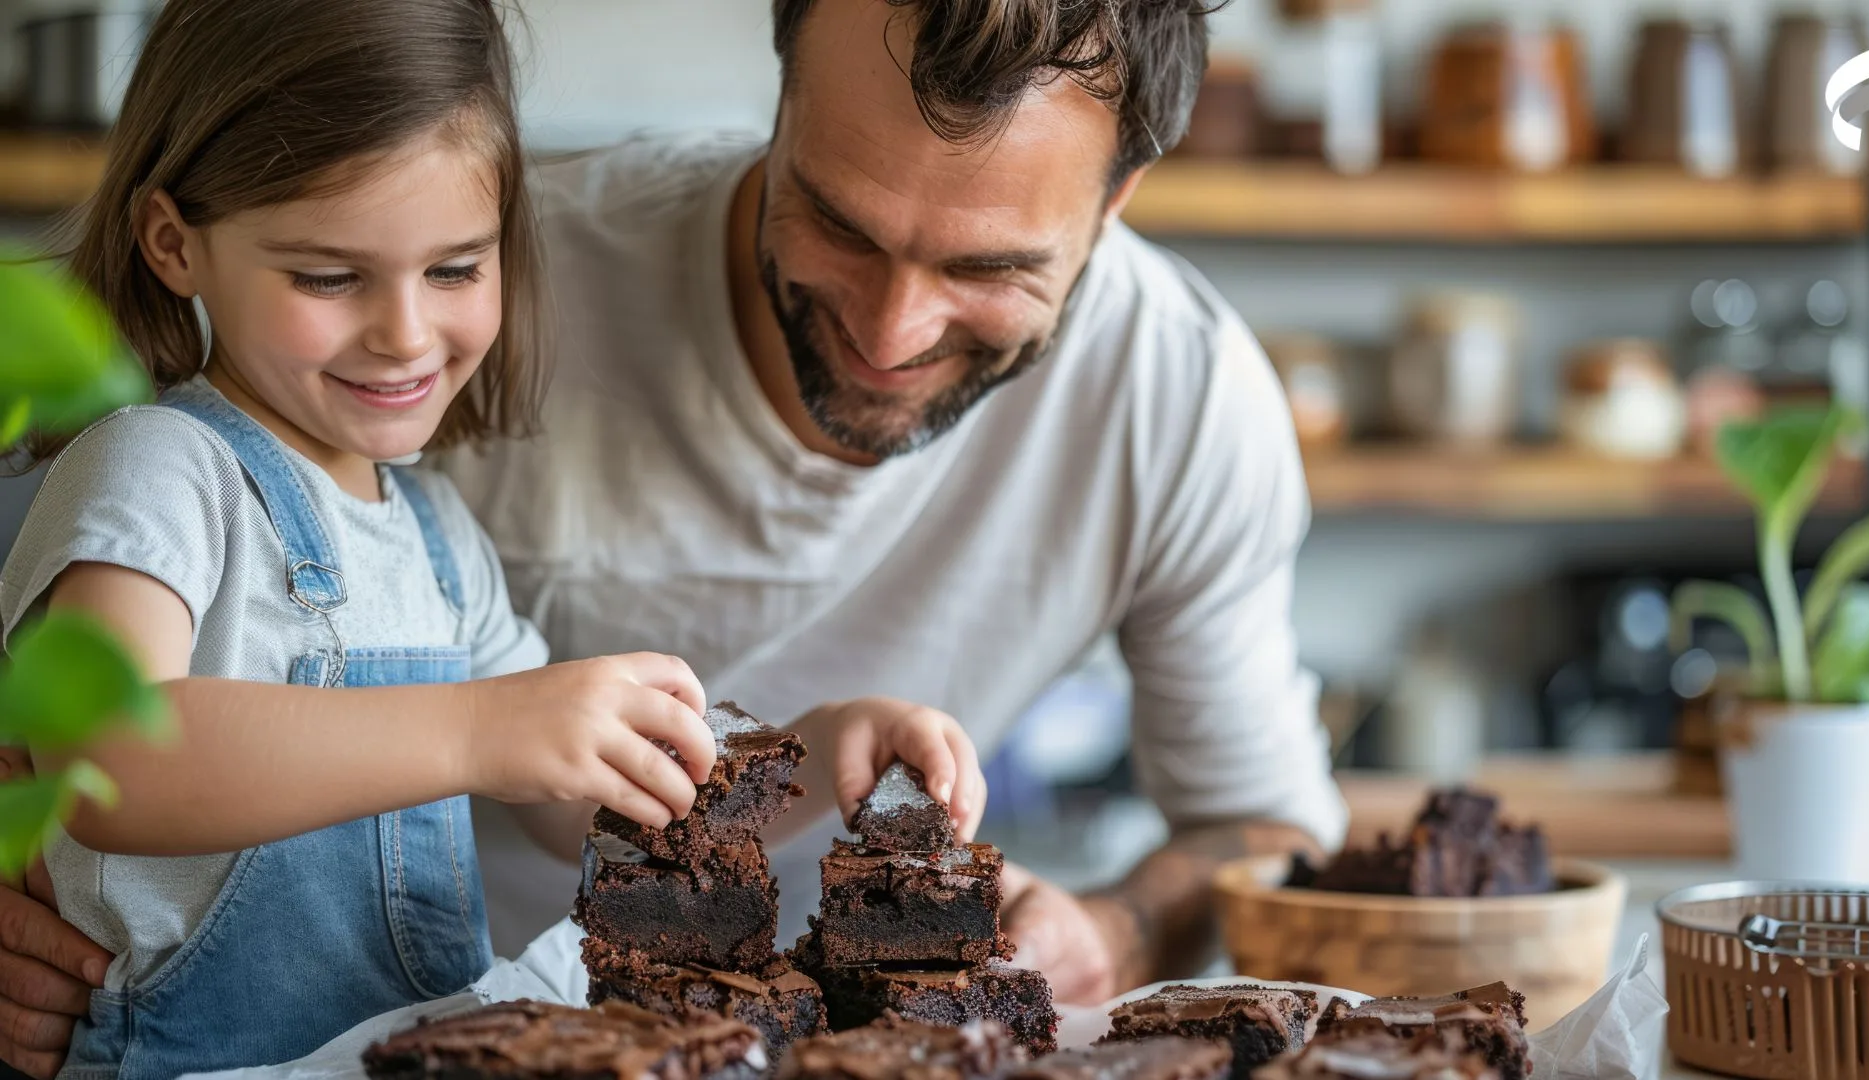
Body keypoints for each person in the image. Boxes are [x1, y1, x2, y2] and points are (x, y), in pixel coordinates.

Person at [0, 0, 1349, 1074]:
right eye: (839, 219)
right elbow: (100, 746)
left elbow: (603, 788)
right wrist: (482, 724)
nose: (890, 335)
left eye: (987, 269)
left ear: (1118, 203)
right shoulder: (191, 451)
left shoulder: (431, 526)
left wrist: (815, 753)